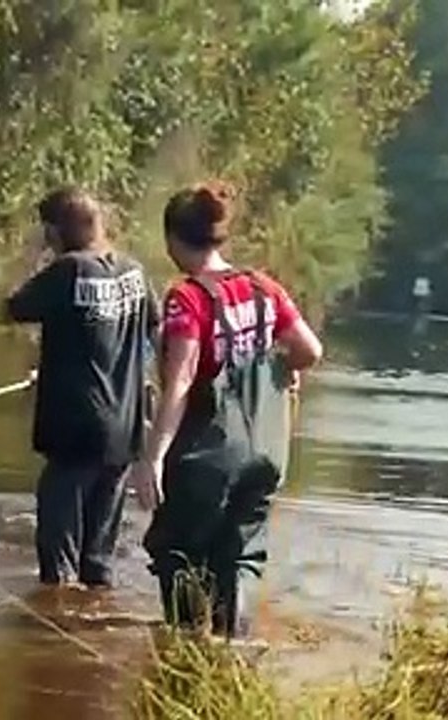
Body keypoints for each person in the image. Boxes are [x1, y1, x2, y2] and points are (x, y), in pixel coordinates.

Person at [126, 180, 323, 637]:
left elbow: (180, 382)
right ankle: (230, 656)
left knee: (179, 554)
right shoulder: (264, 289)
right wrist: (285, 368)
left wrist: (152, 457)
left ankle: (182, 660)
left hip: (207, 454)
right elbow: (308, 350)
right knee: (240, 555)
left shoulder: (187, 298)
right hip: (266, 452)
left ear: (173, 239)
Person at [0, 187, 160, 589]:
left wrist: (32, 258)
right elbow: (157, 330)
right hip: (124, 431)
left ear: (54, 230)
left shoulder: (66, 270)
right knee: (98, 558)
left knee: (59, 563)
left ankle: (56, 636)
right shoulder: (134, 272)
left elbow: (8, 309)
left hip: (75, 429)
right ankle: (94, 626)